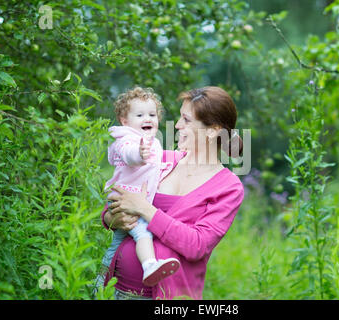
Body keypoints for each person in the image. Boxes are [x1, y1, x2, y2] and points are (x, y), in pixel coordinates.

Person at [102, 86, 245, 300]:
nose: (177, 125)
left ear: (213, 130)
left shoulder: (228, 187)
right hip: (113, 288)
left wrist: (144, 209)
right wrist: (115, 217)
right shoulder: (160, 160)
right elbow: (110, 211)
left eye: (186, 120)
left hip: (168, 298)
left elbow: (197, 245)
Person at [93, 87, 180, 296]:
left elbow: (160, 163)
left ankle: (99, 282)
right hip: (128, 200)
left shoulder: (154, 142)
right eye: (139, 115)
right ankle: (149, 264)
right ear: (124, 121)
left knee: (116, 244)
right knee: (143, 233)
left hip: (134, 200)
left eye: (152, 114)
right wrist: (139, 155)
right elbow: (127, 154)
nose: (147, 118)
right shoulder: (125, 139)